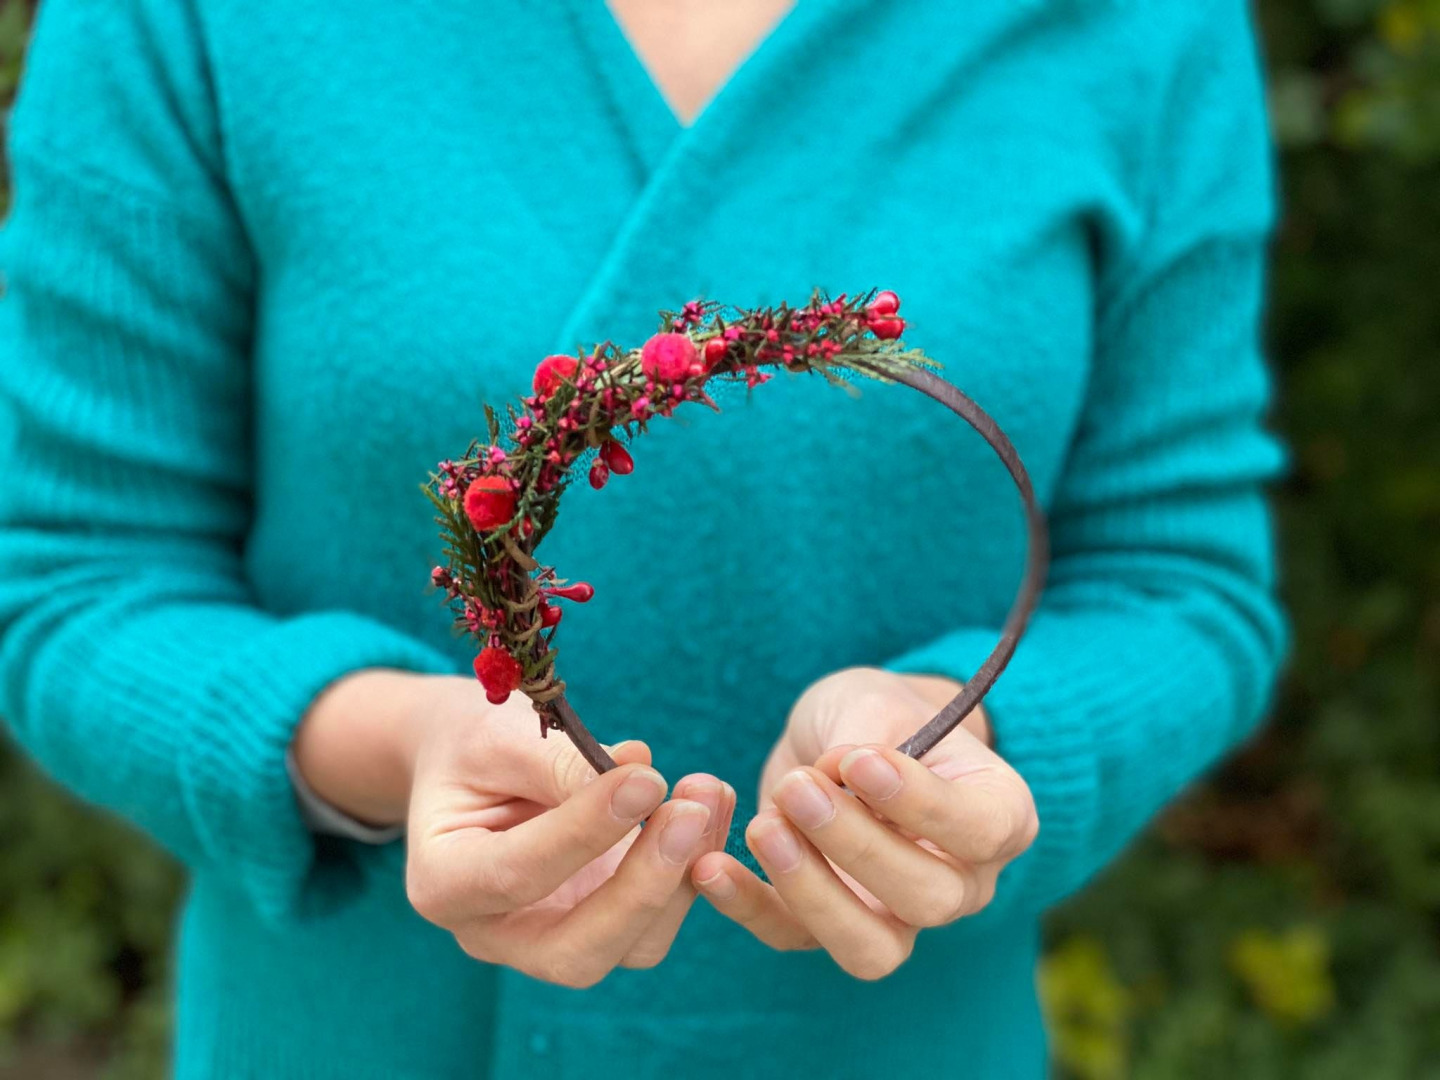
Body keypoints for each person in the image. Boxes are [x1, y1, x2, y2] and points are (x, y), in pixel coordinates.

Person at [0, 0, 1286, 1076]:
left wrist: (971, 733)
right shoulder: (189, 21)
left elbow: (1182, 586)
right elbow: (74, 581)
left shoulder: (1142, 27)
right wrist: (391, 741)